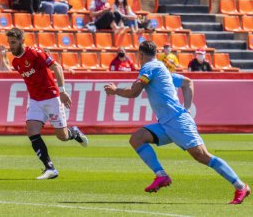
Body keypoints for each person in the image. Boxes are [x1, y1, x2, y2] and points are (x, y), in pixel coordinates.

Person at [104, 40, 250, 204]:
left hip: (177, 121)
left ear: (141, 55)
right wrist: (187, 107)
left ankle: (240, 186)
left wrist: (115, 90)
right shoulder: (161, 70)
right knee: (137, 138)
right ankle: (161, 176)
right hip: (167, 123)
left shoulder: (149, 68)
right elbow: (188, 83)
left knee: (202, 155)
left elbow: (134, 92)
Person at [6, 27, 88, 180]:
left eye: (14, 42)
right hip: (35, 100)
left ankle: (74, 133)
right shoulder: (15, 62)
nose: (11, 46)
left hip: (51, 98)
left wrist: (62, 91)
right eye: (9, 42)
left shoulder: (36, 53)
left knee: (62, 137)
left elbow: (56, 67)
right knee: (31, 130)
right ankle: (50, 168)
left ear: (22, 41)